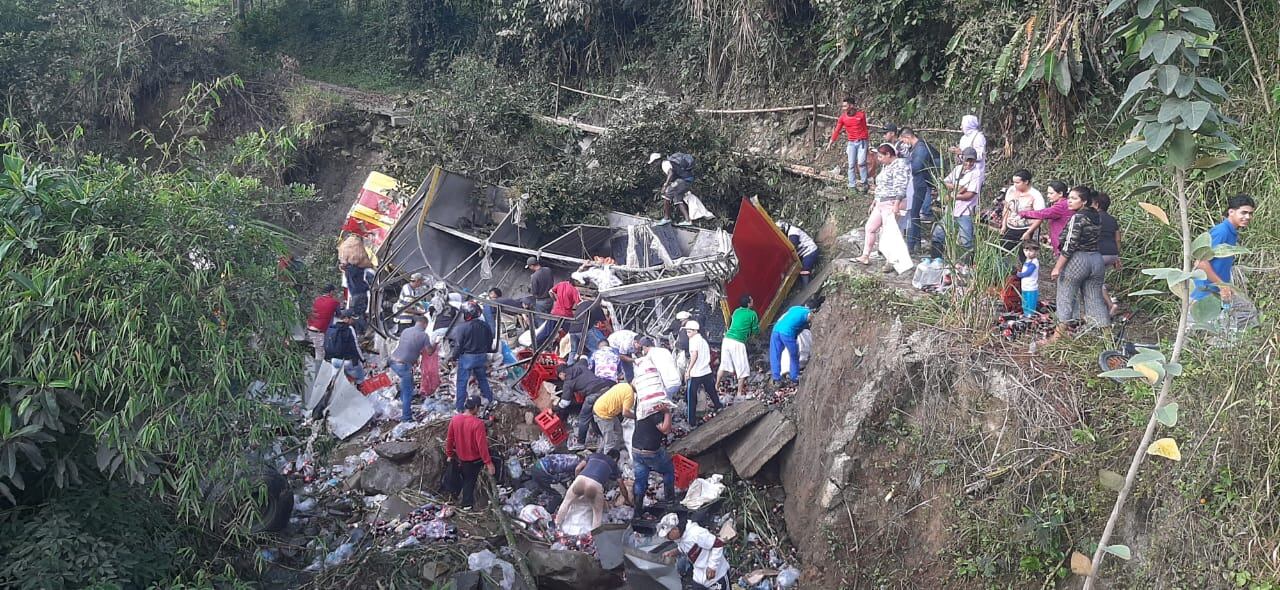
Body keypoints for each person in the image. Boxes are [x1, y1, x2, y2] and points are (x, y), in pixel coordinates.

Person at [1049, 186, 1111, 332]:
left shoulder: (1078, 217)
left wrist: (1057, 267)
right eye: (1069, 198)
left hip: (1078, 260)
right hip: (1096, 259)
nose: (1069, 201)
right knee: (1095, 299)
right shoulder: (1096, 216)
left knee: (1065, 296)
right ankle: (1107, 338)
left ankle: (1057, 337)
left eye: (1074, 198)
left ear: (1083, 201)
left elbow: (1070, 244)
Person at [856, 143, 911, 271]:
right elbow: (881, 186)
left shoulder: (900, 166)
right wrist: (875, 200)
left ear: (888, 154)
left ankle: (891, 261)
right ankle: (865, 255)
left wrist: (897, 204)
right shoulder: (886, 166)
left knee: (889, 233)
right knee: (870, 227)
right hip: (881, 202)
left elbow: (901, 186)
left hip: (892, 203)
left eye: (881, 156)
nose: (879, 160)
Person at [1193, 194, 1256, 302]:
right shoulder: (1222, 232)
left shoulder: (1231, 232)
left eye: (1250, 213)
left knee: (1246, 314)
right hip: (1205, 295)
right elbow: (1200, 262)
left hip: (1217, 292)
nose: (1248, 217)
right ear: (1231, 212)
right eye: (1243, 212)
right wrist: (1222, 286)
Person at [930, 147, 981, 262]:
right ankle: (936, 260)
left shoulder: (976, 173)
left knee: (966, 241)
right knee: (938, 234)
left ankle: (968, 265)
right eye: (967, 160)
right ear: (962, 158)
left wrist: (953, 195)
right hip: (952, 209)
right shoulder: (957, 169)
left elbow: (970, 194)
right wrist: (959, 188)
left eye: (971, 161)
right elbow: (944, 182)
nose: (968, 163)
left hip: (966, 210)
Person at [444, 396, 495, 509]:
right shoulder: (477, 424)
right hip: (474, 459)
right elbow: (482, 446)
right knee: (496, 458)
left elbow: (450, 439)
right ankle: (499, 488)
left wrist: (449, 454)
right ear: (476, 407)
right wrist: (488, 463)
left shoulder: (455, 419)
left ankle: (458, 500)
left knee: (466, 479)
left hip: (461, 457)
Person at [657, 513, 730, 590]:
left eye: (668, 535)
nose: (667, 538)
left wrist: (712, 567)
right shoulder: (680, 538)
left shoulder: (697, 533)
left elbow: (718, 544)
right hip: (699, 574)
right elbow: (685, 548)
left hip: (717, 574)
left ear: (675, 529)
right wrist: (672, 552)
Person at [899, 128, 943, 253]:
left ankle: (910, 246)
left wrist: (905, 164)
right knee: (914, 214)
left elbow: (917, 166)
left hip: (920, 184)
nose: (903, 143)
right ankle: (916, 244)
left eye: (903, 140)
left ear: (907, 137)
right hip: (917, 183)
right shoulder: (916, 147)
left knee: (913, 214)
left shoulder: (921, 148)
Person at [555, 450, 620, 531]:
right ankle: (594, 537)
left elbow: (578, 468)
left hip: (580, 479)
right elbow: (621, 484)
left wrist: (575, 480)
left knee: (566, 503)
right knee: (597, 515)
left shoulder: (594, 455)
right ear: (616, 459)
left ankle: (556, 526)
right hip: (595, 485)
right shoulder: (613, 463)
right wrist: (627, 499)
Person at [451, 302, 496, 412]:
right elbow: (490, 340)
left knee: (461, 382)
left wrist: (454, 357)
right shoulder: (484, 325)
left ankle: (460, 408)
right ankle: (490, 400)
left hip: (467, 358)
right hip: (481, 356)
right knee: (482, 379)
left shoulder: (461, 328)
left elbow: (458, 345)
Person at [558, 361, 611, 450]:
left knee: (584, 417)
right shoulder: (580, 366)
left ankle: (580, 443)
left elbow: (565, 403)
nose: (560, 378)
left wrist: (555, 408)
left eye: (559, 376)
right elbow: (584, 359)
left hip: (593, 394)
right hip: (605, 387)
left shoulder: (568, 382)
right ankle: (601, 435)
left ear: (562, 373)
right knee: (597, 414)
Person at [632, 402, 676, 510]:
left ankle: (637, 511)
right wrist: (666, 412)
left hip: (636, 450)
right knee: (668, 470)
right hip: (650, 452)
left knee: (640, 481)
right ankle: (670, 502)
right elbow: (665, 429)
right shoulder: (655, 413)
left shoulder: (641, 407)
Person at [717, 295, 759, 398]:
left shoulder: (736, 311)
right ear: (749, 303)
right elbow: (755, 330)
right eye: (752, 299)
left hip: (727, 340)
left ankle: (716, 385)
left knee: (723, 364)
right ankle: (739, 393)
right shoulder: (752, 314)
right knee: (742, 368)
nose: (753, 300)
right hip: (738, 342)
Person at [826, 97, 871, 192]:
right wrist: (831, 142)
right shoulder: (843, 118)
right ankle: (852, 185)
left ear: (851, 106)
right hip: (851, 143)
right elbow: (837, 130)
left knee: (861, 163)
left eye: (845, 106)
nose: (843, 108)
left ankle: (864, 183)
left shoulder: (861, 115)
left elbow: (865, 129)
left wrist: (867, 144)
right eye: (843, 106)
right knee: (851, 164)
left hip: (862, 142)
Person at [1000, 170, 1046, 262]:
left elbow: (1040, 216)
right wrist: (1004, 225)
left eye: (1017, 182)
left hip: (1028, 228)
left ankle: (1026, 274)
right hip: (1011, 226)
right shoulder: (1011, 190)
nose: (1015, 185)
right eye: (1013, 182)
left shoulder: (1035, 195)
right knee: (1002, 251)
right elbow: (1007, 208)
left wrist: (1028, 232)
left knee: (1026, 255)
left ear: (1026, 182)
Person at [683, 321, 723, 424]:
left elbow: (694, 356)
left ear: (695, 331)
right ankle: (718, 406)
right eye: (687, 332)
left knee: (691, 397)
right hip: (706, 371)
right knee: (711, 391)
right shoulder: (703, 341)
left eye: (689, 332)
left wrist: (688, 371)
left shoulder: (693, 341)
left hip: (696, 373)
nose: (688, 334)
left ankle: (691, 421)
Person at [1021, 181, 1071, 257]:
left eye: (1051, 193)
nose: (1048, 196)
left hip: (1062, 243)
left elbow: (1043, 213)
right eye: (1048, 193)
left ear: (1060, 194)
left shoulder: (1061, 206)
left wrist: (1023, 213)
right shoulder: (1064, 204)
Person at [1094, 192, 1122, 316]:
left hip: (1099, 254)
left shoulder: (1094, 218)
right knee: (1099, 279)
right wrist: (1117, 257)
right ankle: (1107, 305)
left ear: (1096, 204)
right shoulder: (1112, 219)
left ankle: (1110, 305)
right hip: (1112, 253)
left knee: (1094, 281)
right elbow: (1117, 239)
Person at [651, 152, 696, 226]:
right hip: (688, 179)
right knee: (678, 200)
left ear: (658, 160)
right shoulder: (669, 163)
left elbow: (670, 173)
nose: (654, 165)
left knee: (666, 195)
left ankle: (666, 218)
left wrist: (665, 186)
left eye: (654, 163)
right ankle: (688, 220)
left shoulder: (665, 164)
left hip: (683, 180)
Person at [769, 305, 810, 384]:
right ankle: (794, 377)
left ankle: (776, 378)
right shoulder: (808, 313)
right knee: (794, 355)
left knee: (775, 354)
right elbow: (809, 320)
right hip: (787, 333)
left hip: (776, 329)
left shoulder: (795, 308)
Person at [592, 382, 635, 455]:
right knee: (609, 442)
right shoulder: (630, 395)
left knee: (618, 431)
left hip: (606, 409)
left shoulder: (624, 385)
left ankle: (616, 452)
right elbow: (625, 413)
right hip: (603, 415)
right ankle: (608, 460)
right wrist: (636, 417)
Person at [324, 310, 365, 384]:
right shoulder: (349, 329)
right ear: (346, 319)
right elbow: (355, 347)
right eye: (352, 319)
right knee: (361, 375)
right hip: (345, 362)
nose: (353, 321)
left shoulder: (332, 328)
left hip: (333, 361)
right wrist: (363, 360)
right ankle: (360, 385)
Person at [776, 221, 820, 286]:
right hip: (804, 254)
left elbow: (793, 247)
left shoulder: (793, 232)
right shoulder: (789, 235)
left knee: (804, 272)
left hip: (810, 251)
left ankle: (807, 289)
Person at [949, 115, 987, 186]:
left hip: (975, 171)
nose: (961, 127)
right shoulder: (963, 138)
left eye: (962, 125)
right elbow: (961, 154)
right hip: (964, 170)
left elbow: (980, 156)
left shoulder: (979, 137)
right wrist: (957, 152)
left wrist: (962, 153)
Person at [306, 284, 342, 360]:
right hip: (318, 331)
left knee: (317, 351)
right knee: (320, 354)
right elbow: (340, 315)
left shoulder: (316, 300)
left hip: (309, 328)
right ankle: (318, 370)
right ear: (331, 292)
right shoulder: (334, 302)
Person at [1016, 242, 1041, 317]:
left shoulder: (1034, 262)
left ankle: (1030, 314)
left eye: (1031, 251)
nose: (1028, 253)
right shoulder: (1027, 260)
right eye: (1026, 251)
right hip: (1025, 286)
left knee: (1030, 302)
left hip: (1031, 287)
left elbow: (1028, 272)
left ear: (1036, 251)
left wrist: (1019, 274)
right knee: (1025, 301)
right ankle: (1025, 313)